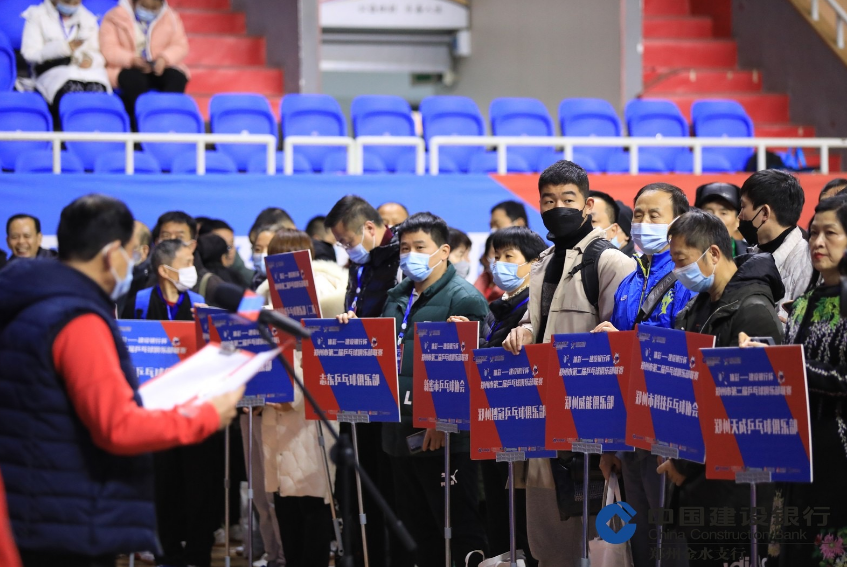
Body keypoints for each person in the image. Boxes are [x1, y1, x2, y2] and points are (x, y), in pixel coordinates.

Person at [0, 194, 242, 567]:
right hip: (69, 519)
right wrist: (207, 415)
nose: (135, 264)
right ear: (111, 253)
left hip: (34, 506)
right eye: (131, 253)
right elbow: (117, 426)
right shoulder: (77, 321)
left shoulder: (29, 304)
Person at [503, 160, 635, 567]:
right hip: (542, 416)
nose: (557, 207)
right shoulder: (543, 262)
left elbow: (621, 345)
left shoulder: (612, 262)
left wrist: (612, 442)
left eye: (567, 199)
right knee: (548, 544)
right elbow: (539, 321)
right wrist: (525, 330)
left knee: (596, 545)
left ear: (587, 204)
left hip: (589, 424)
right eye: (548, 200)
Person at [339, 211, 490, 567]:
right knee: (416, 534)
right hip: (398, 432)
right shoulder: (396, 296)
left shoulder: (464, 298)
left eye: (420, 247)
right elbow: (386, 352)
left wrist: (443, 421)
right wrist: (353, 329)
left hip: (444, 439)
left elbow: (473, 371)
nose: (410, 255)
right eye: (405, 248)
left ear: (443, 251)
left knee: (457, 530)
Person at [663, 209, 784, 566]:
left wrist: (683, 463)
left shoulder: (753, 311)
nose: (677, 271)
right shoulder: (695, 310)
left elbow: (748, 409)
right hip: (699, 481)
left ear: (713, 253)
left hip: (737, 491)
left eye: (681, 260)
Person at [592, 183, 693, 567]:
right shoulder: (630, 279)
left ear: (678, 221)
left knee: (670, 541)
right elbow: (617, 367)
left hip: (667, 427)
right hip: (629, 432)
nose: (643, 222)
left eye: (654, 215)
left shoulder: (686, 278)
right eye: (638, 215)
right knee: (639, 544)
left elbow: (683, 353)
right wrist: (610, 445)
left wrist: (626, 341)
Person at [744, 196, 847, 567]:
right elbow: (790, 365)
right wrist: (764, 355)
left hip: (838, 451)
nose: (817, 242)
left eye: (830, 233)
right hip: (796, 449)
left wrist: (784, 365)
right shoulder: (803, 302)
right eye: (813, 233)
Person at [448, 226, 547, 567]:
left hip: (521, 430)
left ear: (534, 263)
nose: (499, 263)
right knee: (497, 515)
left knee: (520, 520)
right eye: (496, 256)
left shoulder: (536, 309)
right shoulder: (497, 309)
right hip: (490, 424)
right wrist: (470, 339)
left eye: (509, 256)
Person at [260, 230, 346, 567]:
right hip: (273, 413)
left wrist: (289, 394)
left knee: (312, 502)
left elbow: (319, 356)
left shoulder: (326, 296)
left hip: (309, 415)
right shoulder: (266, 299)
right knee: (284, 502)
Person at [324, 195, 399, 567]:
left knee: (387, 488)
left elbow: (397, 322)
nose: (345, 248)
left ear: (369, 227)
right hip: (358, 382)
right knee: (356, 484)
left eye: (347, 241)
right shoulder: (361, 264)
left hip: (388, 388)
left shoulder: (399, 259)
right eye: (340, 243)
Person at [100, 0, 189, 127]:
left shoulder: (171, 17)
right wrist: (131, 60)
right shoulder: (114, 17)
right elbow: (108, 49)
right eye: (145, 7)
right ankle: (139, 125)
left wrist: (164, 59)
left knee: (177, 77)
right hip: (128, 67)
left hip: (160, 67)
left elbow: (180, 45)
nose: (149, 11)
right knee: (133, 80)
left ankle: (168, 122)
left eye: (154, 9)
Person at [20, 0, 110, 124]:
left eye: (76, 3)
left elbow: (97, 53)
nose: (71, 5)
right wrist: (63, 48)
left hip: (85, 72)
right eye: (68, 2)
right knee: (72, 90)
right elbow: (30, 54)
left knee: (97, 89)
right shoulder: (37, 15)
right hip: (51, 72)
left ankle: (96, 128)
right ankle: (74, 128)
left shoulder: (88, 18)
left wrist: (90, 59)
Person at [738, 169, 812, 319]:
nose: (739, 215)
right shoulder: (750, 258)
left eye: (743, 206)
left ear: (765, 213)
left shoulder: (808, 265)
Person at [694, 181, 747, 256]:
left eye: (723, 213)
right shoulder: (684, 254)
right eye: (708, 212)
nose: (715, 218)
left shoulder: (751, 254)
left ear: (737, 221)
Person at [199, 218, 254, 285]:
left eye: (231, 244)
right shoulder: (194, 277)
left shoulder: (243, 275)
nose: (229, 251)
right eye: (221, 245)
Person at [474, 233, 505, 302]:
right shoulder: (473, 290)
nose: (501, 259)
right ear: (485, 258)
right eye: (496, 253)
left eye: (508, 255)